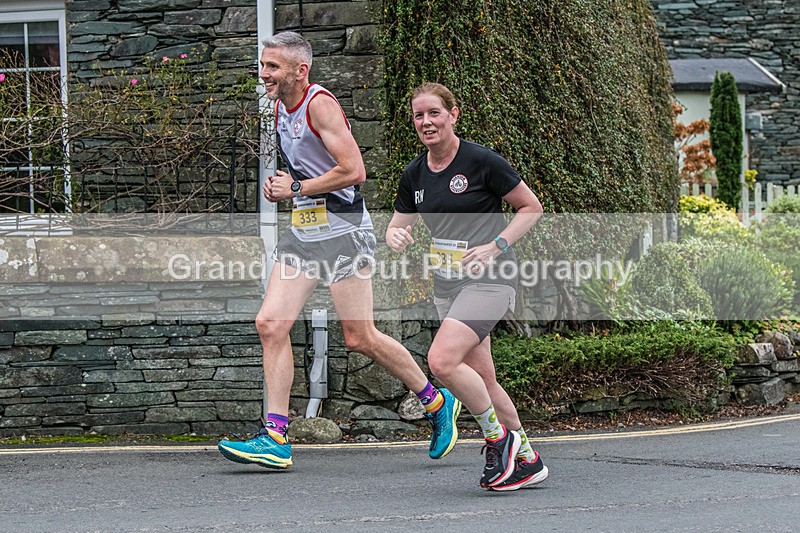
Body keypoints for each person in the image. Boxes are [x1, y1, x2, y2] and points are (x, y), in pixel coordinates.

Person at [217, 33, 461, 469]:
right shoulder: (277, 107)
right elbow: (305, 165)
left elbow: (355, 171)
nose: (264, 73)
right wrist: (286, 186)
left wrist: (297, 188)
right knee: (270, 324)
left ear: (300, 70)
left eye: (273, 67)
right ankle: (275, 437)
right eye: (263, 64)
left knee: (359, 336)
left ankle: (435, 400)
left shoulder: (319, 104)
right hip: (304, 232)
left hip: (345, 230)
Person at [386, 83, 548, 491]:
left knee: (441, 361)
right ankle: (528, 459)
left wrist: (496, 246)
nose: (426, 122)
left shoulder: (481, 161)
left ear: (453, 115)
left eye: (434, 113)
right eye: (419, 116)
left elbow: (531, 207)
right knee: (483, 379)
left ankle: (499, 440)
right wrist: (394, 236)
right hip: (447, 285)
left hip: (491, 279)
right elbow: (397, 224)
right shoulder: (415, 173)